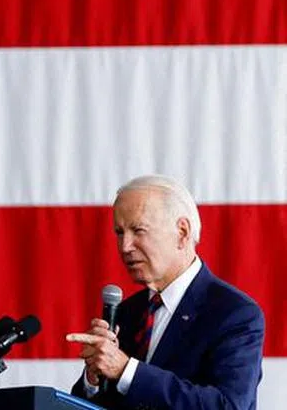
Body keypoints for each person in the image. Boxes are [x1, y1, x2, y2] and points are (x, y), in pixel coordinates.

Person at [64, 174, 264, 409]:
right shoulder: (127, 312)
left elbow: (227, 405)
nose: (125, 246)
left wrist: (126, 370)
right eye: (119, 232)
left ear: (182, 232)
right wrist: (93, 377)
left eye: (138, 230)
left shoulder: (234, 314)